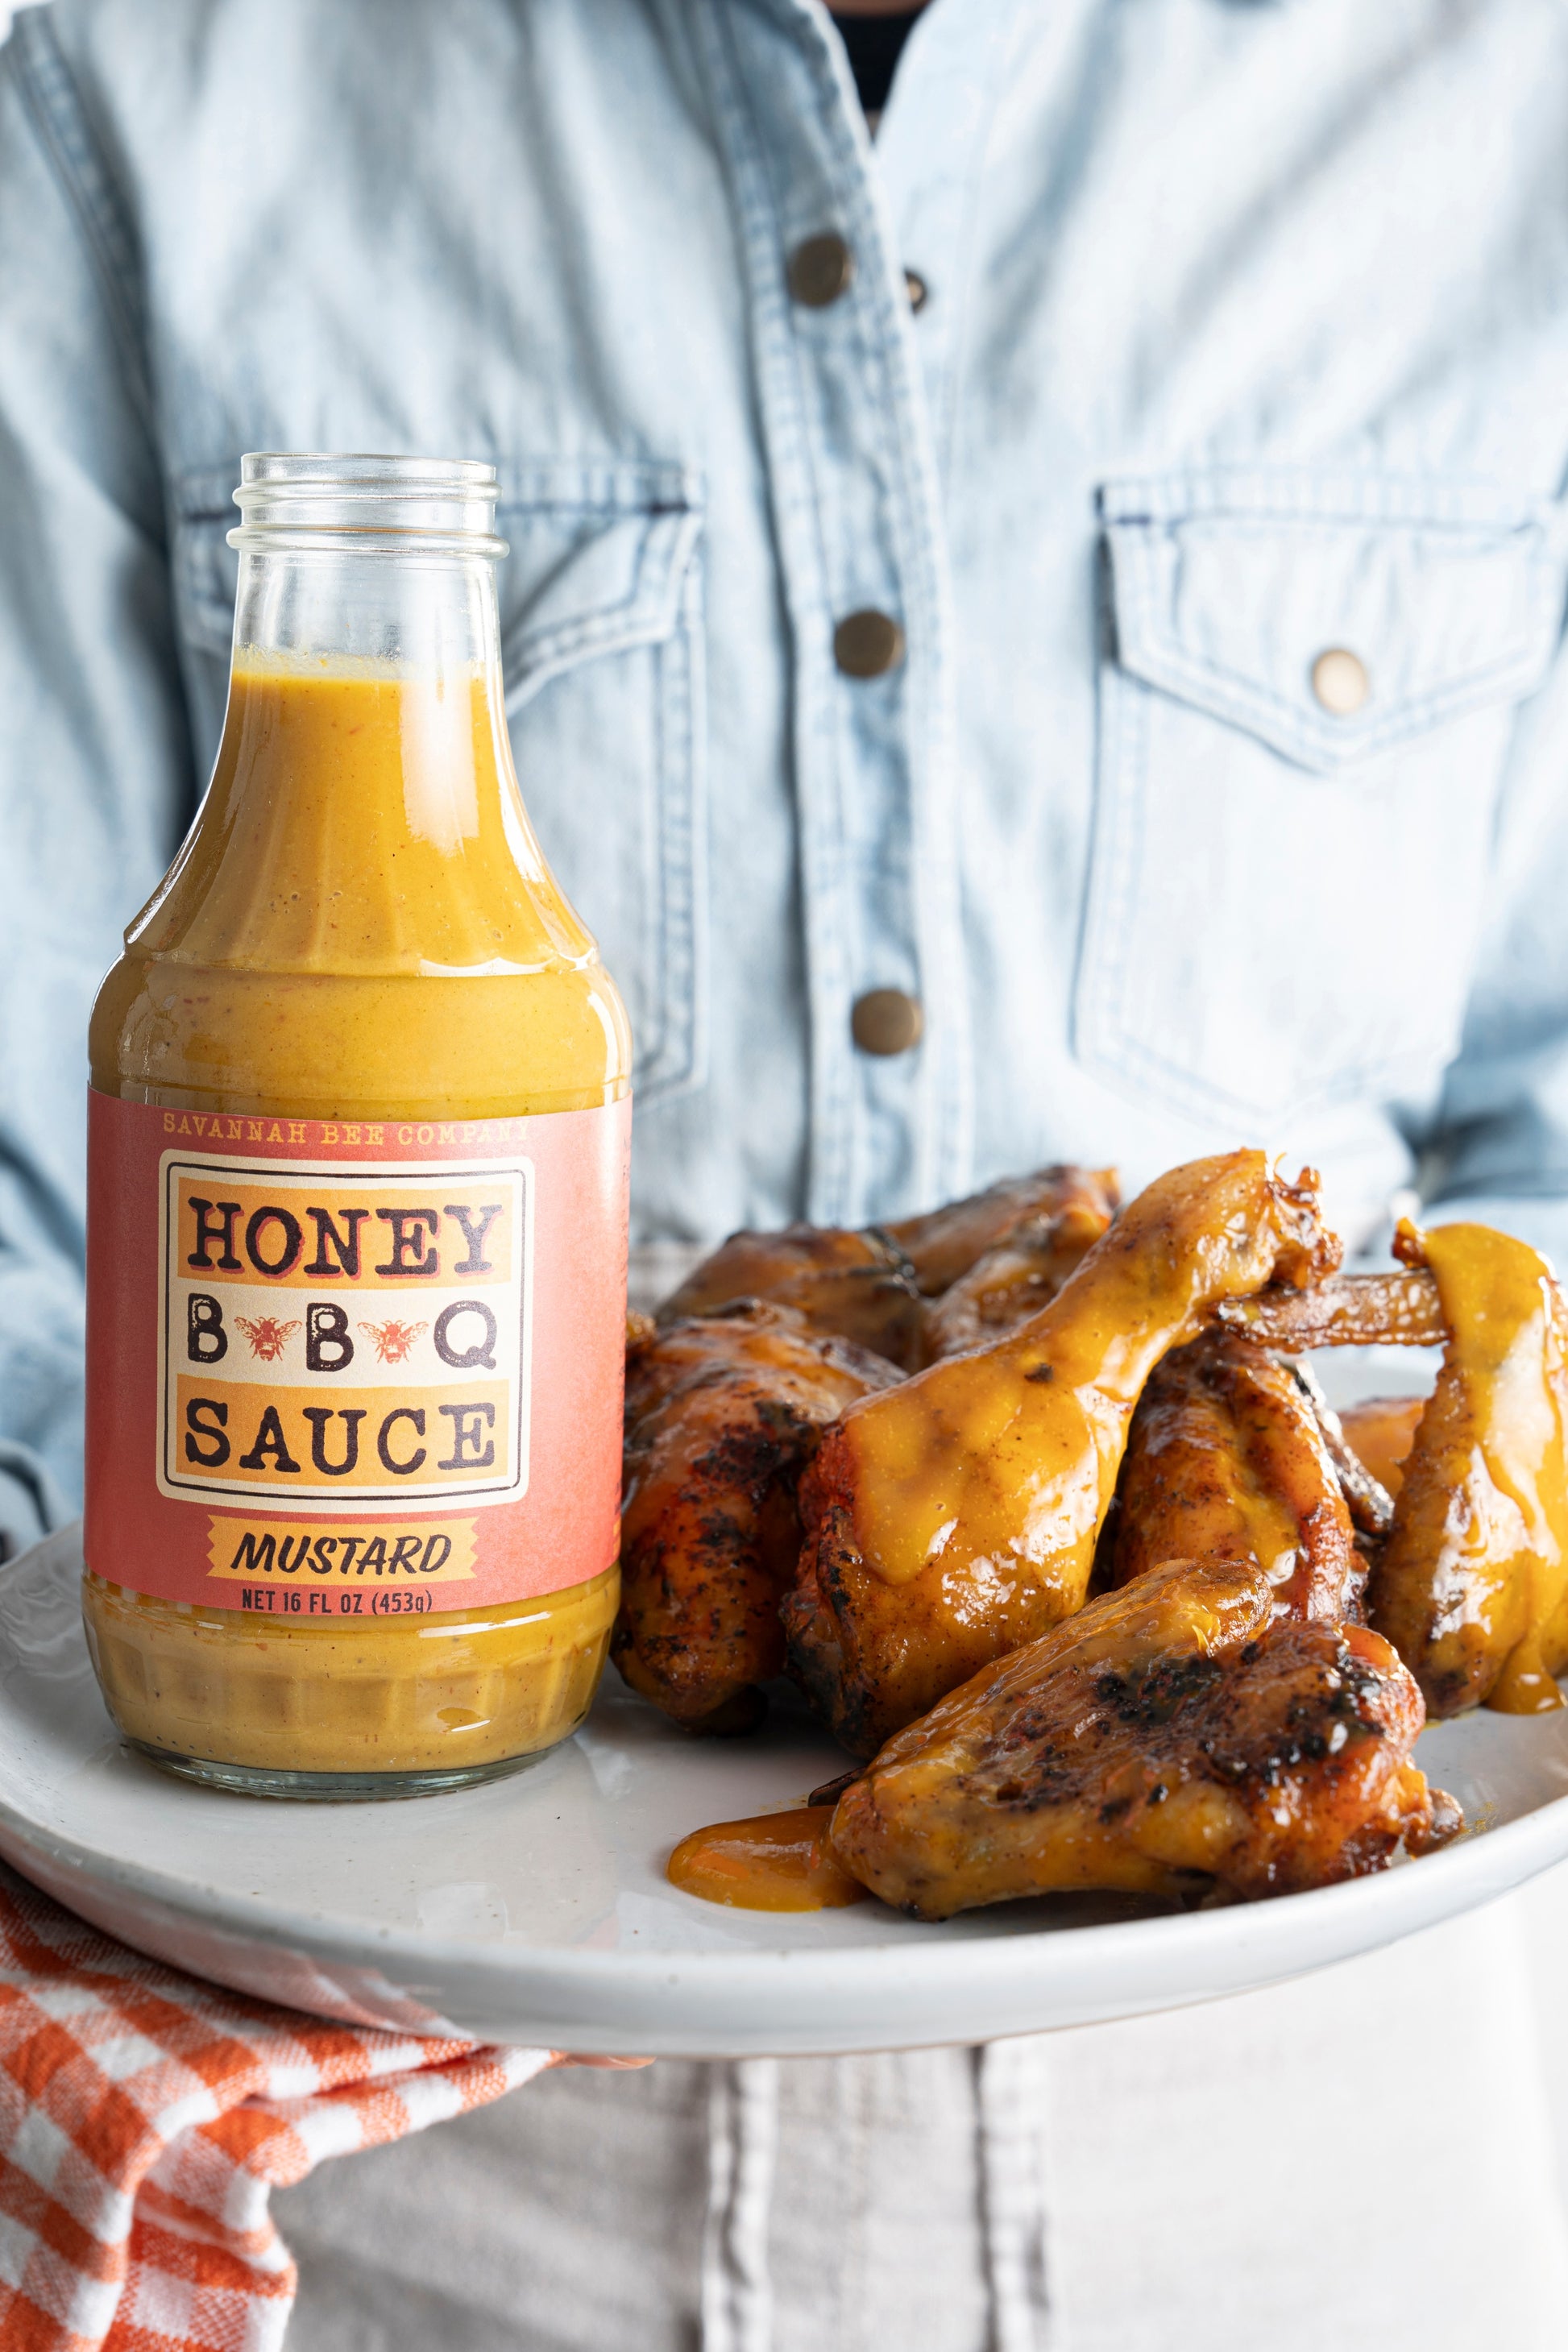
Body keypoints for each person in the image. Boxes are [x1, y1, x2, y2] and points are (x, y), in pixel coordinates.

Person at [2, 1, 1568, 2345]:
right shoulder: (149, 80)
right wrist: (237, 1717)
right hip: (393, 2120)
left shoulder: (1496, 92)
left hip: (1309, 2100)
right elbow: (35, 1189)